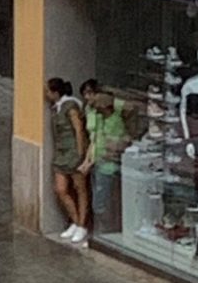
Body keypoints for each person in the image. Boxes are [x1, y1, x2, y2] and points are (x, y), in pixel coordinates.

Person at [79, 89, 133, 232]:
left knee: (103, 203)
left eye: (98, 103)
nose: (94, 106)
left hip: (110, 165)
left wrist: (112, 101)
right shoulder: (99, 118)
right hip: (98, 163)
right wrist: (87, 162)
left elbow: (132, 107)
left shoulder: (116, 118)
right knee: (99, 202)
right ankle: (102, 231)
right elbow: (94, 141)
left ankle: (107, 231)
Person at [46, 78, 89, 243]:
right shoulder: (56, 108)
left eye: (48, 91)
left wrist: (80, 153)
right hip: (60, 154)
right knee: (60, 189)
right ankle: (75, 220)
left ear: (56, 93)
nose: (47, 95)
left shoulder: (70, 107)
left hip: (72, 152)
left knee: (80, 189)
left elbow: (79, 130)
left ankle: (82, 225)